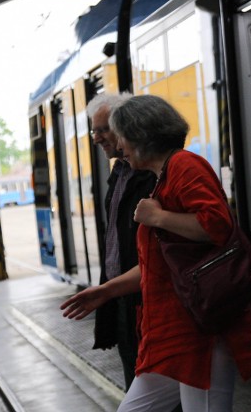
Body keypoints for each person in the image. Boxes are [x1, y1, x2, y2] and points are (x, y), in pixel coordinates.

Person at [62, 94, 251, 412]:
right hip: (174, 330)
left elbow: (217, 226)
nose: (118, 144)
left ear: (141, 135)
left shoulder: (185, 165)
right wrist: (106, 291)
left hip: (200, 330)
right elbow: (159, 264)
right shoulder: (163, 177)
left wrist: (157, 218)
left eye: (120, 134)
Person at [85, 92, 157, 390]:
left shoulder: (150, 174)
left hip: (146, 295)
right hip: (124, 296)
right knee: (136, 375)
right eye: (94, 129)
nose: (96, 138)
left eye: (103, 129)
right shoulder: (120, 173)